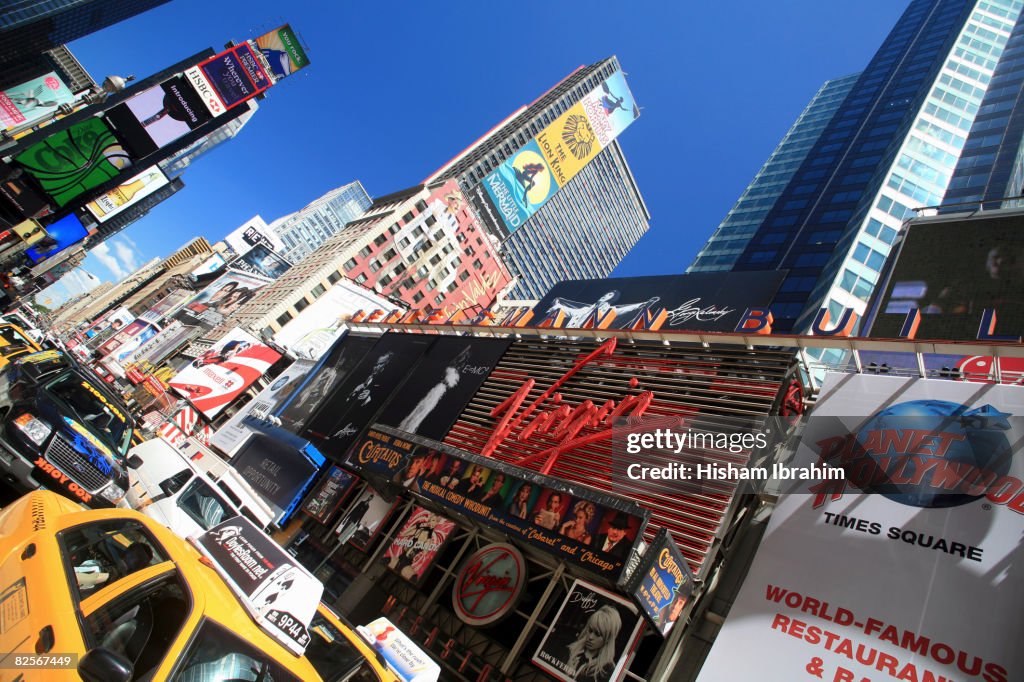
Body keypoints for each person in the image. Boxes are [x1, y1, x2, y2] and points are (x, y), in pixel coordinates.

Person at [396, 346, 471, 434]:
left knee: (422, 409)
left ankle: (408, 427)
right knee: (422, 408)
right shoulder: (452, 372)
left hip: (437, 392)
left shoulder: (451, 371)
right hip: (436, 391)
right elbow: (450, 383)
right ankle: (407, 427)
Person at [565, 604, 621, 681]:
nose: (590, 637)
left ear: (607, 639)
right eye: (590, 630)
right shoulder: (570, 651)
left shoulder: (608, 669)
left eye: (598, 634)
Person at [546, 290, 661, 328]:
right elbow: (571, 311)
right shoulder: (587, 308)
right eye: (606, 294)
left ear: (612, 299)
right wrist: (558, 305)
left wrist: (646, 303)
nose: (605, 296)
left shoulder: (608, 311)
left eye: (609, 295)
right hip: (563, 337)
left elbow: (626, 309)